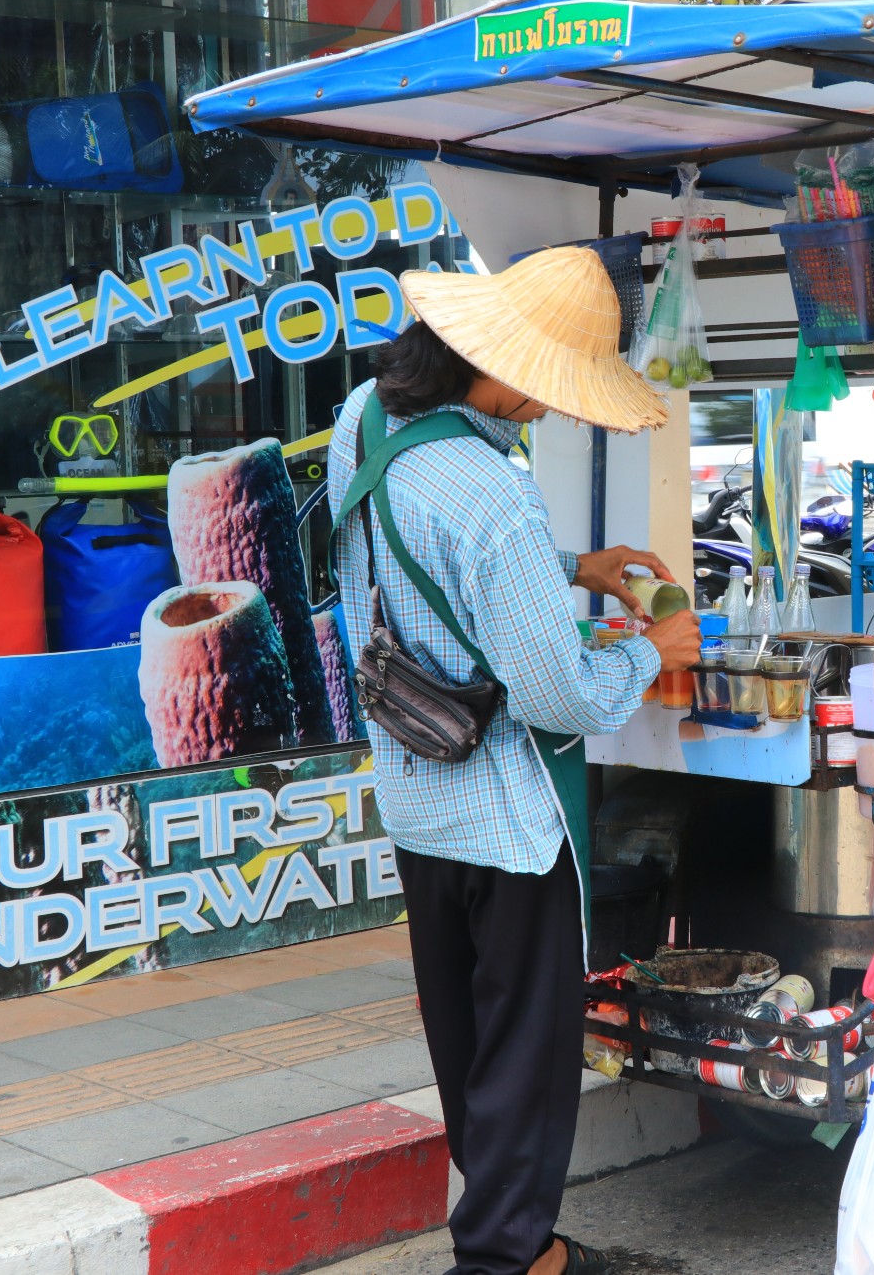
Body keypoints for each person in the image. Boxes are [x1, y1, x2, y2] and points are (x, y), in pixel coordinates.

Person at [329, 247, 700, 1275]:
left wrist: (565, 572)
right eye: (545, 386)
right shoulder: (491, 492)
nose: (547, 406)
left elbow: (399, 561)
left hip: (413, 790)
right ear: (495, 364)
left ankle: (519, 1243)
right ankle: (501, 1259)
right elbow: (557, 697)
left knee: (467, 1045)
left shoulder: (361, 417)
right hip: (506, 818)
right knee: (526, 1060)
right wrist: (648, 650)